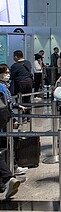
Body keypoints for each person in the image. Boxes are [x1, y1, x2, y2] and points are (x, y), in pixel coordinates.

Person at [0, 64, 20, 199]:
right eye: (5, 72)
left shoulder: (2, 86)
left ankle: (7, 178)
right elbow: (8, 103)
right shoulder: (3, 87)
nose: (7, 75)